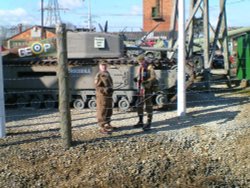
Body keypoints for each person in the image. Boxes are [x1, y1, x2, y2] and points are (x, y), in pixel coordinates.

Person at [133, 55, 157, 131]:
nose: (140, 63)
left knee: (148, 106)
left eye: (141, 62)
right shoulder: (140, 67)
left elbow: (153, 77)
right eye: (139, 62)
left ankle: (149, 122)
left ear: (143, 60)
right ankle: (140, 121)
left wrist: (147, 81)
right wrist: (136, 78)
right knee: (139, 105)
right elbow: (139, 75)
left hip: (147, 89)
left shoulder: (149, 67)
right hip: (140, 89)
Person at [95, 60, 115, 134]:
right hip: (102, 96)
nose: (104, 66)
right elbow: (97, 87)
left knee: (109, 110)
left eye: (105, 65)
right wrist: (105, 90)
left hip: (109, 95)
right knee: (102, 110)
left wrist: (110, 89)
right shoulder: (99, 75)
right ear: (99, 66)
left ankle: (107, 124)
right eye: (102, 65)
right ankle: (102, 127)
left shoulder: (107, 73)